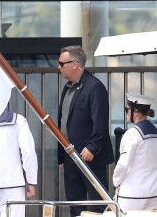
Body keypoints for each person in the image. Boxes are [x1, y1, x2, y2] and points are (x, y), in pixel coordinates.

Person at [57, 45, 114, 217]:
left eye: (62, 63)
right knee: (75, 203)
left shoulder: (94, 87)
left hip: (90, 156)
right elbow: (64, 123)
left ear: (75, 64)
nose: (59, 67)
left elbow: (101, 122)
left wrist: (93, 147)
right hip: (71, 156)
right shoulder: (67, 88)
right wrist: (62, 156)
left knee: (96, 204)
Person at [113, 93, 157, 211]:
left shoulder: (132, 134)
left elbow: (123, 164)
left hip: (132, 196)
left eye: (127, 109)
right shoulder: (155, 132)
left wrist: (116, 182)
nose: (126, 112)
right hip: (153, 194)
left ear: (135, 111)